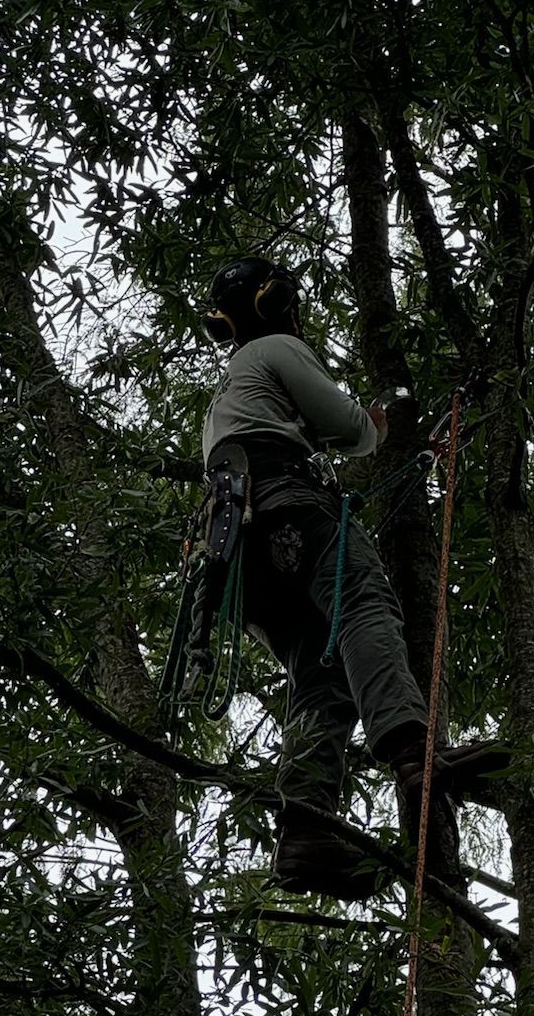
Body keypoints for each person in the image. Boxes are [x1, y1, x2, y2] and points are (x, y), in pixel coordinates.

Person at [201, 255, 502, 900]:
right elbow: (353, 432)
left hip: (241, 556)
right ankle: (413, 752)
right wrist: (375, 422)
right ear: (275, 305)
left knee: (320, 676)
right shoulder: (277, 349)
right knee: (363, 603)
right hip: (289, 508)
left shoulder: (231, 391)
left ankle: (305, 830)